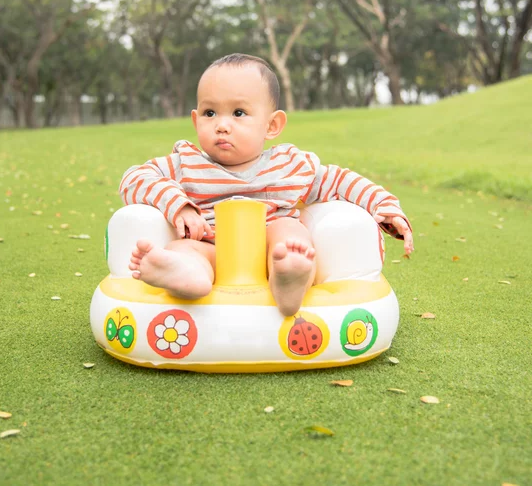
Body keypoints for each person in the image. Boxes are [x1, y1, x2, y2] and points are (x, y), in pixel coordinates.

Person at [120, 53, 413, 316]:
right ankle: (184, 274)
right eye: (210, 113)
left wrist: (385, 207)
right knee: (185, 248)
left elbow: (341, 181)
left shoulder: (289, 165)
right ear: (196, 122)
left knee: (289, 232)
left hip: (269, 252)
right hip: (211, 247)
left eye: (238, 113)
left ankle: (289, 278)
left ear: (271, 126)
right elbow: (133, 178)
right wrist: (178, 205)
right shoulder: (185, 162)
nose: (222, 124)